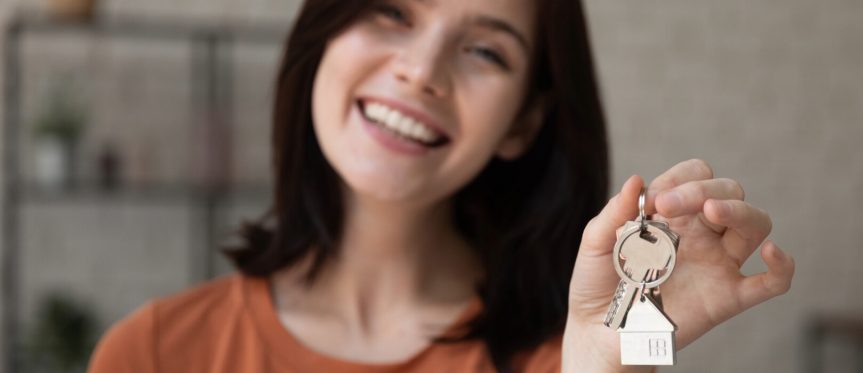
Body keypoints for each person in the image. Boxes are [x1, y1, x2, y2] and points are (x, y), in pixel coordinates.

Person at [87, 0, 795, 371]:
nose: (422, 70)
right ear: (323, 33)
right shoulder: (151, 352)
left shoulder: (577, 353)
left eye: (485, 50)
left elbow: (621, 355)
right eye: (391, 10)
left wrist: (624, 358)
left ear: (524, 120)